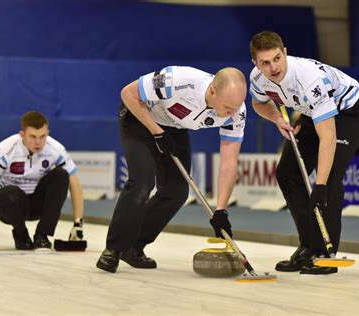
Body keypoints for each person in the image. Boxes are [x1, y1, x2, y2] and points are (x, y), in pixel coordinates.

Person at [96, 66, 247, 273]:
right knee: (142, 181)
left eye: (237, 106)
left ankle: (133, 247)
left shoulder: (237, 113)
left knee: (176, 192)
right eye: (228, 107)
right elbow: (128, 94)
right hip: (140, 116)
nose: (233, 113)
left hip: (174, 127)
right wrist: (156, 131)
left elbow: (229, 162)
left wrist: (221, 210)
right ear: (212, 91)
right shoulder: (177, 80)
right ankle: (114, 249)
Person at [249, 31, 359, 275]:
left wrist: (321, 186)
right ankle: (308, 246)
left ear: (285, 53)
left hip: (347, 112)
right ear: (255, 64)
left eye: (276, 59)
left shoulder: (309, 80)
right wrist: (276, 119)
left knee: (331, 181)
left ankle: (325, 254)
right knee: (287, 173)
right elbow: (259, 102)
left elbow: (327, 137)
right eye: (265, 63)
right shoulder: (258, 78)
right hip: (310, 111)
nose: (273, 68)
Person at [0, 111, 84, 251]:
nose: (38, 142)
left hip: (37, 205)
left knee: (61, 175)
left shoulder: (56, 149)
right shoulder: (5, 150)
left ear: (47, 132)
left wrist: (78, 223)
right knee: (9, 193)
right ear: (22, 134)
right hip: (11, 206)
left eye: (42, 136)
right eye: (33, 137)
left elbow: (75, 183)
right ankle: (21, 236)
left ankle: (42, 236)